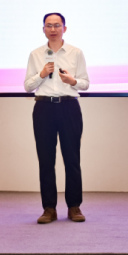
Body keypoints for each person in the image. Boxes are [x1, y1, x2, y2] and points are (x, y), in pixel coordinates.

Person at [24, 12, 90, 224]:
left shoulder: (76, 53)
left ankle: (74, 207)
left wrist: (72, 81)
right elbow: (27, 86)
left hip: (69, 107)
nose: (53, 29)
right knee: (46, 160)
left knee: (72, 159)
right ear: (43, 29)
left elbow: (85, 83)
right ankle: (49, 209)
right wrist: (41, 74)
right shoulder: (35, 54)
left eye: (57, 25)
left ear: (64, 28)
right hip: (43, 108)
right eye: (49, 25)